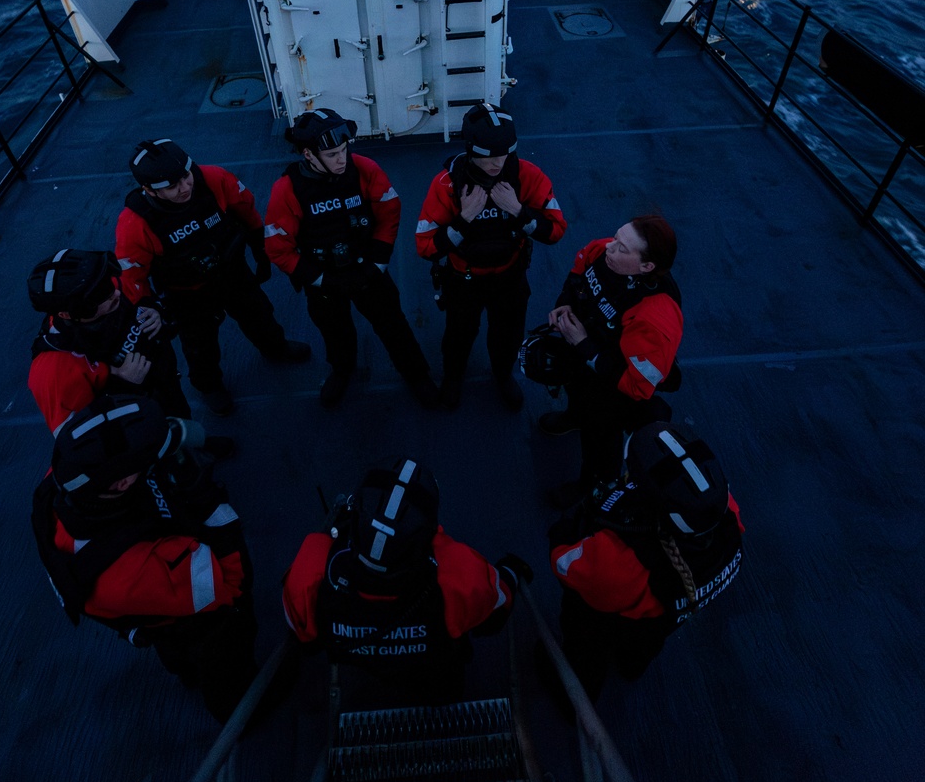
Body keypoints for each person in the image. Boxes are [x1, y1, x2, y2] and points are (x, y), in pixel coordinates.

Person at [31, 394, 257, 723]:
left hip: (140, 608)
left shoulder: (61, 479)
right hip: (176, 605)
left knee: (173, 650)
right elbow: (231, 585)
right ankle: (239, 709)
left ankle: (186, 671)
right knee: (221, 652)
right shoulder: (133, 571)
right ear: (121, 482)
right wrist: (208, 503)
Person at [282, 457, 530, 703]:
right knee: (445, 684)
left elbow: (306, 639)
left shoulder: (312, 565)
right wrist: (511, 570)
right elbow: (496, 612)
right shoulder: (460, 573)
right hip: (436, 672)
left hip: (361, 662)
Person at [548, 422, 743, 701]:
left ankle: (575, 697)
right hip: (658, 624)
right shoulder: (725, 518)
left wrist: (562, 533)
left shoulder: (620, 562)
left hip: (612, 618)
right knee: (642, 646)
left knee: (586, 650)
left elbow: (565, 564)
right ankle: (631, 667)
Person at [115, 138, 310, 416]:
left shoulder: (214, 179)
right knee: (199, 345)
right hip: (187, 293)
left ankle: (275, 348)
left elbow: (245, 209)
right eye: (172, 186)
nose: (185, 188)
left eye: (185, 177)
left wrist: (259, 246)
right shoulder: (135, 224)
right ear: (148, 190)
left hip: (232, 272)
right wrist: (149, 305)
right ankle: (209, 385)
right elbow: (132, 273)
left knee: (260, 315)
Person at [264, 109, 439, 408]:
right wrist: (321, 280)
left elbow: (389, 211)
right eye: (332, 154)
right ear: (308, 154)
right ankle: (342, 370)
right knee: (335, 330)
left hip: (367, 269)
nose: (342, 159)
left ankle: (416, 373)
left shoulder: (364, 169)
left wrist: (377, 264)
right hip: (323, 279)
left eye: (344, 150)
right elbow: (278, 247)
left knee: (392, 323)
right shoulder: (287, 190)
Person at [416, 102, 566, 410]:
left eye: (505, 153)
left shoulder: (528, 176)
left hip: (510, 277)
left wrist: (518, 211)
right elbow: (425, 246)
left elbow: (555, 231)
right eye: (489, 155)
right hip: (463, 280)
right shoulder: (446, 185)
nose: (498, 163)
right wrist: (463, 219)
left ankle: (502, 375)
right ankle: (453, 377)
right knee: (458, 334)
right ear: (471, 149)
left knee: (508, 334)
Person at [535, 216, 683, 507]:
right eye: (615, 237)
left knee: (601, 434)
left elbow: (636, 386)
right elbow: (580, 267)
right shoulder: (605, 251)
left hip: (613, 383)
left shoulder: (655, 319)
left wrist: (585, 346)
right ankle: (574, 416)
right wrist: (564, 301)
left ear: (646, 267)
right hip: (587, 352)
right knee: (576, 388)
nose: (609, 248)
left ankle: (593, 486)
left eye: (622, 248)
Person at [27, 247, 191, 435]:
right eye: (99, 295)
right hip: (137, 425)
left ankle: (191, 442)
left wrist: (155, 311)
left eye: (107, 282)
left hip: (166, 382)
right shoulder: (53, 371)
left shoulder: (112, 284)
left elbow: (141, 290)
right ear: (67, 313)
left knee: (183, 419)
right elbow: (81, 438)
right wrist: (124, 387)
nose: (116, 293)